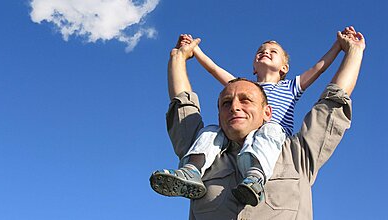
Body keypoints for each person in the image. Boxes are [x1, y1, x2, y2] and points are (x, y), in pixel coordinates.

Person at [151, 26, 365, 219]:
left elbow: (331, 95)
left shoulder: (297, 153)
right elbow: (186, 101)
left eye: (246, 100)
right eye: (226, 102)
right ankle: (192, 170)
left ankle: (255, 175)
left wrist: (344, 48)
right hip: (217, 144)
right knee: (210, 131)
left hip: (276, 137)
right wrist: (185, 55)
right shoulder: (210, 139)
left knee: (270, 130)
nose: (235, 106)